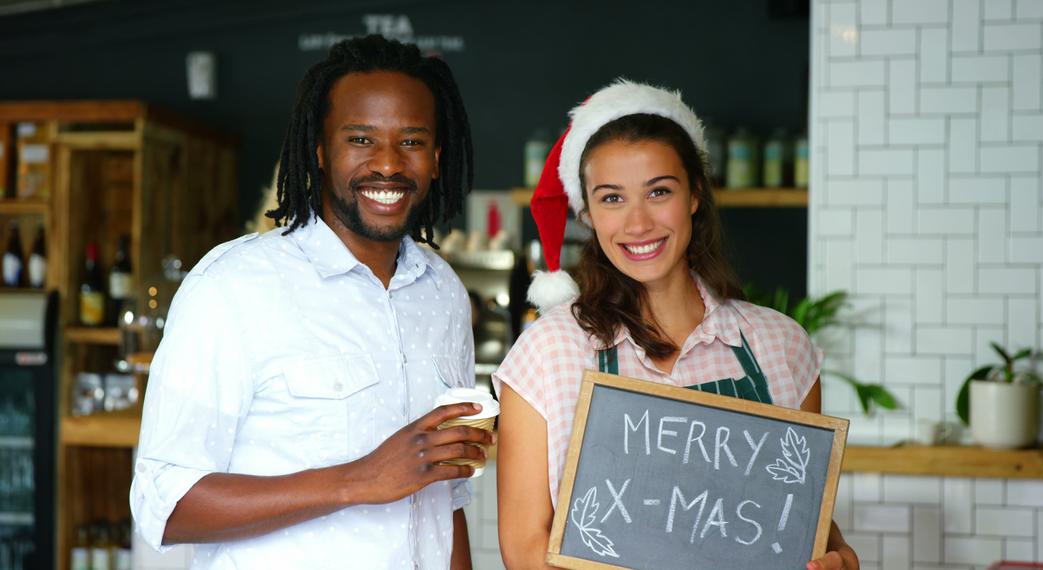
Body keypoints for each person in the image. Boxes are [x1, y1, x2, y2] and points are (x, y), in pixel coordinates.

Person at [130, 35, 492, 569]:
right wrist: (356, 481)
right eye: (362, 139)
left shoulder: (443, 293)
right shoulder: (234, 287)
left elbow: (446, 499)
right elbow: (166, 503)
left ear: (437, 159)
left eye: (411, 141)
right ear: (320, 150)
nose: (388, 165)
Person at [494, 80, 859, 570]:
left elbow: (803, 524)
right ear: (587, 213)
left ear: (695, 195)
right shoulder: (548, 353)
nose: (638, 223)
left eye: (658, 191)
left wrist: (839, 560)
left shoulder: (781, 345)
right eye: (612, 198)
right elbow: (524, 553)